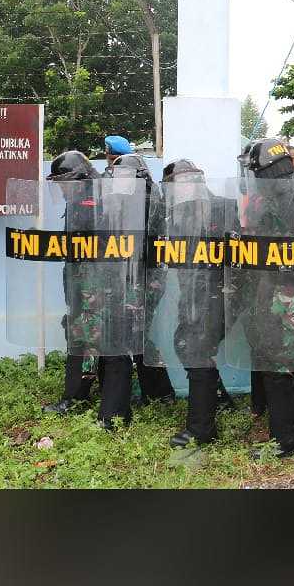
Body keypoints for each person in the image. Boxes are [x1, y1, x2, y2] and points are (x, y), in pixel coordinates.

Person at [41, 150, 133, 426]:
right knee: (78, 339)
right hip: (79, 285)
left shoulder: (106, 199)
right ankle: (75, 396)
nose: (61, 189)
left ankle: (114, 414)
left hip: (106, 287)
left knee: (113, 346)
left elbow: (116, 246)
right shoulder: (76, 201)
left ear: (80, 178)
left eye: (64, 183)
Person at [234, 138, 294, 459]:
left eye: (254, 171)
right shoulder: (290, 189)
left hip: (283, 286)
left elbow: (278, 248)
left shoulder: (285, 196)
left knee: (276, 358)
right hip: (272, 283)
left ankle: (286, 439)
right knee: (272, 352)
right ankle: (285, 416)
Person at [152, 159, 236, 449]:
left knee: (197, 350)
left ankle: (201, 429)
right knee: (185, 344)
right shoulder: (174, 214)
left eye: (186, 183)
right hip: (192, 296)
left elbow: (239, 255)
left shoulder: (224, 207)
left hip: (218, 294)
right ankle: (217, 399)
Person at [108, 151, 178, 407]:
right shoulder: (126, 201)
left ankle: (160, 392)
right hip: (131, 278)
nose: (119, 183)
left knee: (135, 335)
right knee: (136, 336)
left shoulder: (149, 201)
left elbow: (146, 245)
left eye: (124, 177)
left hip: (146, 278)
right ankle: (158, 392)